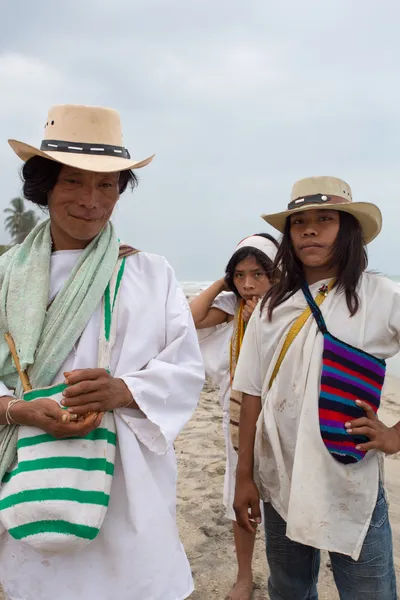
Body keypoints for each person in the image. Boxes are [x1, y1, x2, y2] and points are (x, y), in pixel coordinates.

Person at [0, 104, 205, 600]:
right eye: (73, 182)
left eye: (107, 185)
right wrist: (18, 409)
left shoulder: (151, 273)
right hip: (29, 477)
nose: (91, 201)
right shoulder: (6, 279)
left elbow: (186, 371)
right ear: (44, 186)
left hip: (130, 490)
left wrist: (123, 390)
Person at [232, 176, 400, 600]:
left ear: (348, 230)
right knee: (289, 587)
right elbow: (251, 393)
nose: (309, 229)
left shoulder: (380, 296)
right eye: (299, 222)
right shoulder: (271, 308)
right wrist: (244, 475)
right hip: (279, 477)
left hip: (347, 477)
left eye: (325, 219)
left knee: (369, 591)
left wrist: (395, 436)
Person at [191, 234, 279, 600]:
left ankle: (284, 571)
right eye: (239, 275)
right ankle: (245, 575)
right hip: (239, 417)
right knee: (240, 493)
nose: (248, 284)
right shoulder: (231, 304)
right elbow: (190, 318)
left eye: (258, 274)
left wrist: (263, 319)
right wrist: (222, 284)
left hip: (282, 413)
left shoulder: (290, 304)